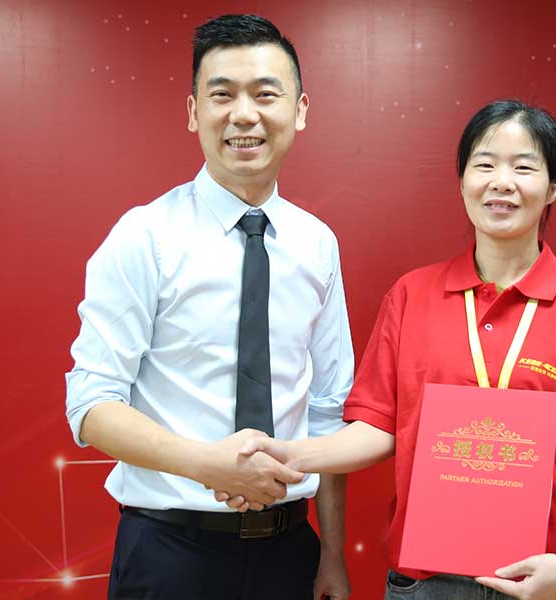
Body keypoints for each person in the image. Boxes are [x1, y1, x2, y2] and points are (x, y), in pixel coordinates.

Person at [219, 99, 556, 600]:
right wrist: (290, 452)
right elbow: (378, 428)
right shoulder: (412, 295)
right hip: (425, 586)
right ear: (462, 180)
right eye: (485, 165)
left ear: (553, 187)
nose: (502, 182)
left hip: (546, 583)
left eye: (524, 167)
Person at [65, 14, 353, 600]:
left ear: (299, 110)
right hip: (170, 553)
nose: (244, 115)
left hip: (289, 554)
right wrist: (206, 464)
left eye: (265, 94)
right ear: (195, 112)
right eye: (222, 95)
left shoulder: (317, 244)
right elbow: (91, 405)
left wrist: (331, 553)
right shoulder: (145, 236)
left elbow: (328, 409)